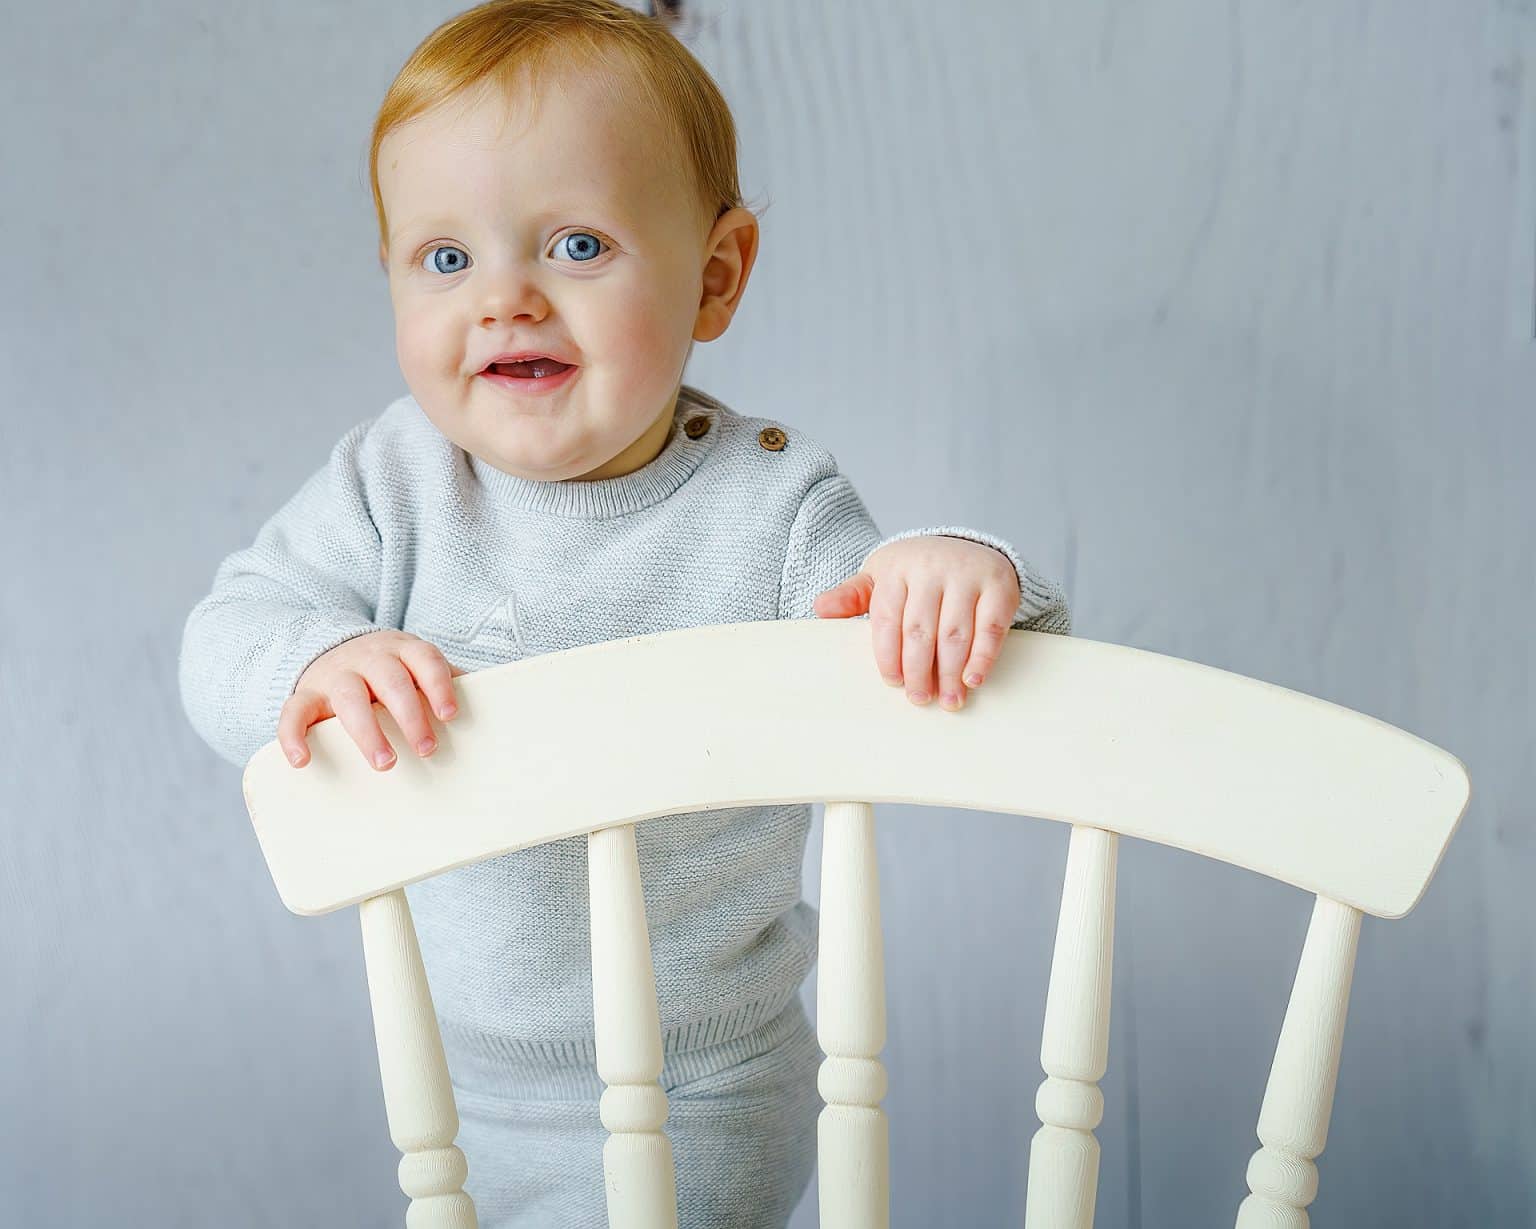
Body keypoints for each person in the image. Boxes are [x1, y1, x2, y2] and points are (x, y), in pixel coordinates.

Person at [178, 2, 1071, 1224]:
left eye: (578, 246)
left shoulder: (769, 504)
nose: (506, 301)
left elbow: (985, 661)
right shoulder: (392, 485)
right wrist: (316, 655)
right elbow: (226, 633)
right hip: (461, 1088)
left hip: (708, 1087)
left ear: (715, 277)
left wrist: (958, 570)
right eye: (447, 259)